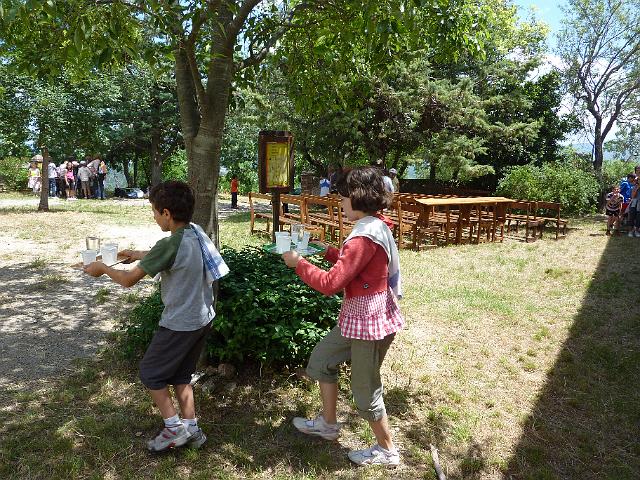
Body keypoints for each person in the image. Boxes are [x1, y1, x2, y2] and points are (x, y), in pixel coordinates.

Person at [84, 180, 229, 452]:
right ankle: (192, 430)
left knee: (150, 373)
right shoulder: (195, 232)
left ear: (166, 213)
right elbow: (166, 255)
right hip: (202, 318)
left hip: (180, 323)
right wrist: (136, 254)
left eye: (154, 211)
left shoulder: (168, 244)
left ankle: (174, 429)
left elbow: (128, 280)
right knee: (182, 375)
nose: (154, 217)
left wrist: (102, 268)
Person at [282, 166, 403, 467]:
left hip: (369, 323)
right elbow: (358, 265)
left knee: (365, 389)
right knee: (322, 359)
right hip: (359, 318)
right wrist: (327, 251)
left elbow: (330, 283)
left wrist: (298, 264)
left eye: (343, 196)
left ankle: (387, 450)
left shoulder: (364, 236)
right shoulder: (374, 224)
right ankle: (328, 424)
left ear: (357, 197)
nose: (340, 201)